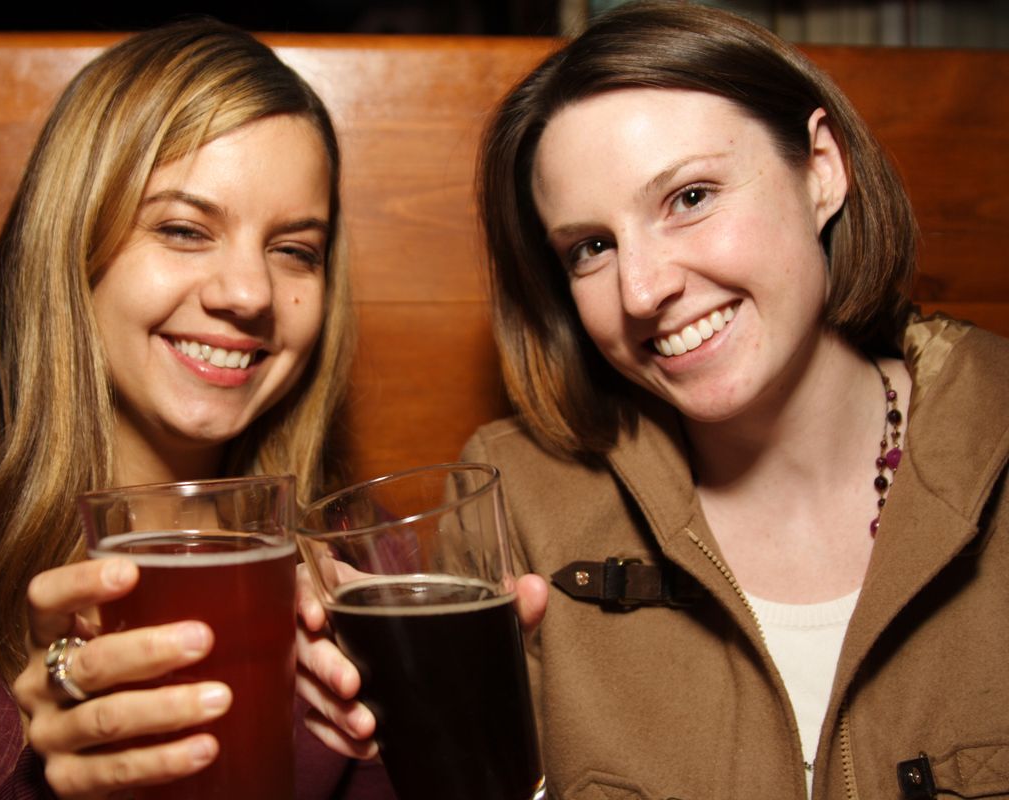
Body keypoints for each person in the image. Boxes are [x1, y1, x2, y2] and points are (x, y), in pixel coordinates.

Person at [301, 3, 1009, 799]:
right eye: (591, 248)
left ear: (821, 170)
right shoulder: (515, 501)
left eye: (690, 197)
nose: (642, 291)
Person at [0, 19, 393, 800]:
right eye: (184, 230)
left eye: (295, 250)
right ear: (74, 242)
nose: (249, 294)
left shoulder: (369, 559)